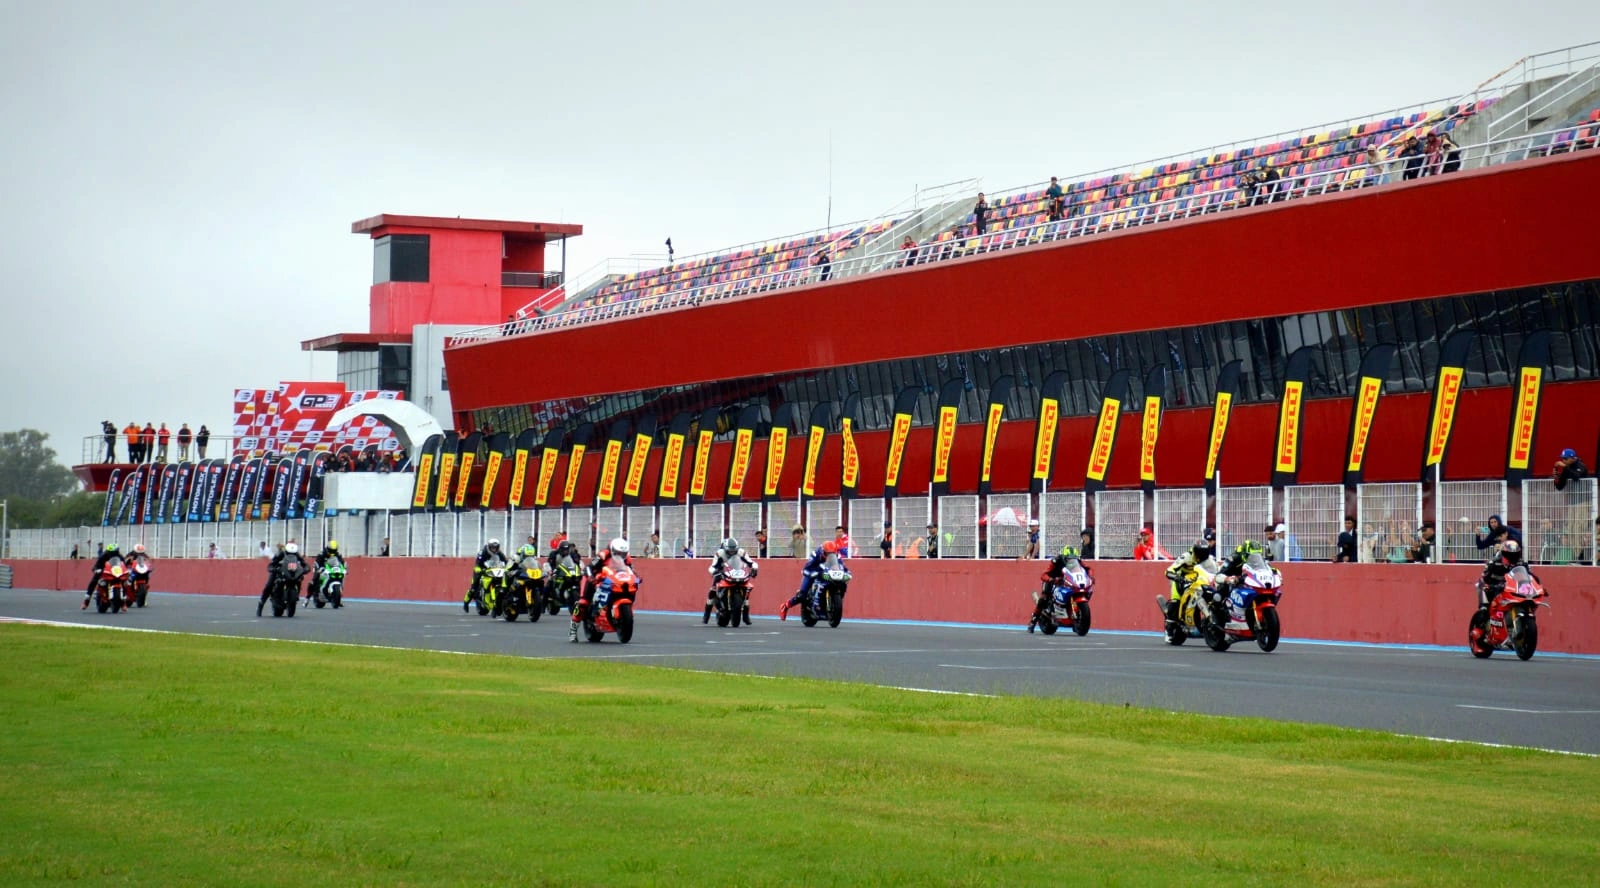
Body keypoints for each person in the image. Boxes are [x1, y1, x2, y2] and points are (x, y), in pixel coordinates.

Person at [571, 538, 632, 641]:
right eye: (618, 553)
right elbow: (588, 568)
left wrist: (636, 576)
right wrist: (591, 578)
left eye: (623, 553)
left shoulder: (627, 559)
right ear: (612, 550)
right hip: (594, 579)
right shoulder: (603, 555)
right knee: (583, 602)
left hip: (612, 580)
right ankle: (573, 630)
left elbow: (630, 569)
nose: (621, 556)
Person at [1029, 546, 1095, 632]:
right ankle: (1032, 622)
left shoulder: (1078, 561)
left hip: (1067, 581)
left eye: (1073, 559)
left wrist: (1091, 576)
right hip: (1053, 580)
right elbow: (1044, 574)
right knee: (1044, 598)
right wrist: (1051, 579)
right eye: (1068, 559)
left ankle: (1074, 619)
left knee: (1080, 591)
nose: (1071, 561)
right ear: (1063, 557)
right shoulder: (1056, 561)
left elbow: (1088, 568)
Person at [779, 540, 845, 620]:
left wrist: (846, 573)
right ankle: (785, 606)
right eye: (827, 554)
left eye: (831, 554)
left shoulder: (837, 556)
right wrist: (813, 573)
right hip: (813, 573)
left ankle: (831, 603)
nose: (829, 556)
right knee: (802, 595)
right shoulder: (815, 554)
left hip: (827, 575)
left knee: (841, 583)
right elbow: (805, 569)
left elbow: (842, 568)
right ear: (823, 551)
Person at [704, 537, 759, 625]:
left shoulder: (741, 552)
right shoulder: (719, 553)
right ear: (725, 549)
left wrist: (755, 568)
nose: (732, 552)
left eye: (734, 550)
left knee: (747, 589)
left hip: (737, 572)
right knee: (713, 590)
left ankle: (746, 615)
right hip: (722, 572)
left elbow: (751, 562)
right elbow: (713, 566)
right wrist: (714, 571)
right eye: (730, 550)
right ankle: (706, 615)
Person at [1161, 542, 1217, 628]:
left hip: (1199, 581)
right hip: (1182, 581)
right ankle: (1170, 626)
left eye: (1204, 555)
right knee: (1175, 604)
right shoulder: (1186, 557)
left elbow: (1216, 572)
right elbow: (1168, 571)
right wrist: (1178, 578)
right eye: (1199, 555)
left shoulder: (1210, 560)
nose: (1201, 558)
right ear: (1195, 552)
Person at [1477, 539, 1539, 613]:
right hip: (1496, 588)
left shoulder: (1521, 563)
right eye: (1509, 555)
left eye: (1514, 554)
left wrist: (1538, 587)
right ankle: (1483, 608)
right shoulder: (1493, 563)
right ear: (1503, 553)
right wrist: (1491, 586)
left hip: (1514, 590)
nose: (1512, 557)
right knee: (1480, 584)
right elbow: (1484, 578)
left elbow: (1530, 577)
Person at [258, 543, 307, 617]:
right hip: (280, 572)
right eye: (290, 553)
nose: (292, 554)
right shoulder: (281, 554)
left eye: (293, 553)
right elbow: (273, 563)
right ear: (286, 551)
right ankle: (261, 604)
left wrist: (306, 568)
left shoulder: (297, 555)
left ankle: (296, 596)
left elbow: (304, 563)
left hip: (292, 573)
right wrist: (272, 568)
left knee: (300, 579)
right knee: (269, 585)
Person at [466, 539, 508, 612]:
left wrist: (508, 567)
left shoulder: (500, 553)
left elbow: (505, 562)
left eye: (496, 547)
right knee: (474, 586)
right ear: (489, 546)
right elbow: (478, 563)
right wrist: (478, 569)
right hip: (482, 569)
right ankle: (466, 603)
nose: (494, 549)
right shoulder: (482, 552)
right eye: (492, 547)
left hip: (494, 570)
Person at [81, 542, 124, 609]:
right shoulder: (104, 555)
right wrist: (96, 569)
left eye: (115, 552)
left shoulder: (119, 556)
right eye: (112, 552)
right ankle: (86, 600)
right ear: (108, 552)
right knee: (94, 581)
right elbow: (97, 564)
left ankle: (123, 602)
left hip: (115, 571)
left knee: (124, 581)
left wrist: (126, 569)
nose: (114, 554)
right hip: (104, 571)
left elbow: (124, 564)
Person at [309, 540, 346, 607]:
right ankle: (312, 594)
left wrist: (344, 567)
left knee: (342, 576)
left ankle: (338, 598)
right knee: (316, 577)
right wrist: (319, 568)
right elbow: (317, 562)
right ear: (328, 548)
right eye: (331, 550)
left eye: (334, 550)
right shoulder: (322, 554)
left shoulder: (337, 554)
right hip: (322, 568)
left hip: (332, 569)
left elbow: (341, 562)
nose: (332, 552)